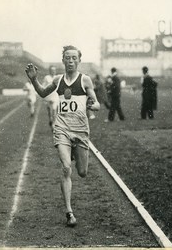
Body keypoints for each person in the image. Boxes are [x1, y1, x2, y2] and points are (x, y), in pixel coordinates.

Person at [25, 45, 100, 227]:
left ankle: (74, 152)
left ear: (79, 60)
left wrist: (92, 105)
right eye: (68, 57)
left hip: (81, 130)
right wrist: (34, 80)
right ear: (63, 60)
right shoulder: (58, 80)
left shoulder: (85, 80)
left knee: (82, 172)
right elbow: (43, 93)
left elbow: (96, 103)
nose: (71, 61)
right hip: (62, 129)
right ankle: (69, 212)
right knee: (66, 168)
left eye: (74, 58)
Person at [42, 65, 59, 130]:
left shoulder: (57, 77)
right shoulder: (47, 77)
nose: (53, 71)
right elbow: (43, 86)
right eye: (52, 70)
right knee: (49, 111)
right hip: (48, 96)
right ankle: (50, 120)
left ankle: (53, 124)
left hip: (55, 96)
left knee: (54, 110)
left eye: (54, 70)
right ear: (50, 71)